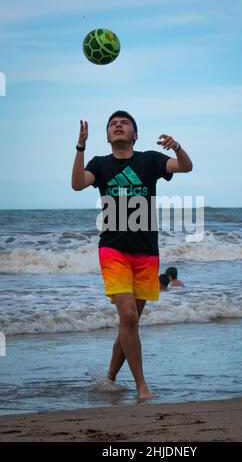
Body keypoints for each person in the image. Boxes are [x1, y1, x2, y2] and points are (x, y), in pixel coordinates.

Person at [71, 110, 193, 400]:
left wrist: (176, 146)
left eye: (124, 123)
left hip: (147, 253)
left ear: (134, 135)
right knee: (128, 315)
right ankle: (142, 387)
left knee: (130, 322)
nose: (118, 126)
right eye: (113, 124)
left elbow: (186, 167)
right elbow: (77, 183)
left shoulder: (150, 160)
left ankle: (109, 379)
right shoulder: (100, 164)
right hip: (113, 249)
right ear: (107, 136)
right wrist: (80, 147)